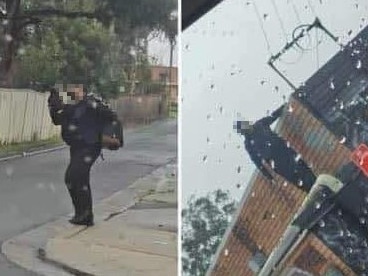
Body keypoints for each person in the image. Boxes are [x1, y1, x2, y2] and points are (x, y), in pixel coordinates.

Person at [48, 84, 117, 226]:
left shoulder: (91, 103)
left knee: (73, 176)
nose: (70, 91)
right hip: (76, 147)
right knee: (79, 179)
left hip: (91, 146)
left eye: (75, 88)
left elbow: (111, 116)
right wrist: (53, 107)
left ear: (82, 90)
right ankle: (83, 214)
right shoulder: (71, 106)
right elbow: (57, 120)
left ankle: (84, 214)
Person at [235, 104, 316, 191]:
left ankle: (318, 185)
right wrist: (270, 177)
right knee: (298, 180)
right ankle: (313, 192)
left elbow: (273, 116)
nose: (246, 126)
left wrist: (284, 106)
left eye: (245, 124)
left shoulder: (260, 124)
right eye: (243, 128)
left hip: (285, 151)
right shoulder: (248, 144)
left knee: (304, 170)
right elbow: (258, 163)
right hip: (278, 164)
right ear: (242, 132)